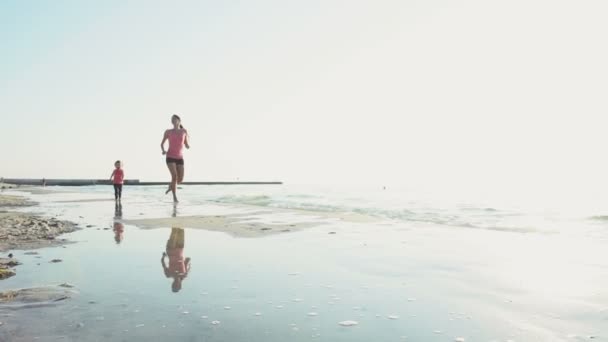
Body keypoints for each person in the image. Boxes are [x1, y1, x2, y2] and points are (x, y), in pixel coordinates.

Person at [160, 114, 190, 202]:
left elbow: (186, 143)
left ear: (179, 121)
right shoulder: (168, 132)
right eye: (172, 119)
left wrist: (187, 145)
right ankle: (174, 197)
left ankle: (171, 187)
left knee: (180, 179)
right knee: (174, 176)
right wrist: (163, 150)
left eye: (175, 119)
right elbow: (162, 143)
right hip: (170, 156)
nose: (173, 121)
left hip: (180, 157)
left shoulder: (184, 131)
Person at [161, 227, 191, 293]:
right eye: (177, 285)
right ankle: (178, 217)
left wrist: (163, 257)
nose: (176, 284)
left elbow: (163, 263)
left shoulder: (168, 274)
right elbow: (186, 262)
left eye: (174, 285)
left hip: (170, 249)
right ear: (180, 285)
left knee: (175, 230)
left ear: (172, 284)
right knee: (181, 229)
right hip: (180, 248)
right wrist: (188, 261)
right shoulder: (184, 274)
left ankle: (174, 216)